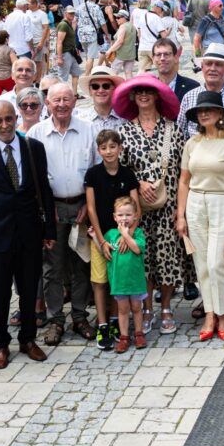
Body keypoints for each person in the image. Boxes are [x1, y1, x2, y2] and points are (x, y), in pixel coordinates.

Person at [0, 100, 55, 369]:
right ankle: (2, 343)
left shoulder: (33, 148)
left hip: (29, 231)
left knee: (29, 289)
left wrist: (48, 231)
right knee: (0, 293)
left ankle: (28, 338)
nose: (5, 125)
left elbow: (44, 189)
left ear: (16, 118)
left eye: (9, 119)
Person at [113, 74, 189, 332]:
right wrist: (138, 182)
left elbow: (183, 173)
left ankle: (166, 307)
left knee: (167, 257)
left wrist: (181, 211)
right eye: (139, 91)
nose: (144, 95)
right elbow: (120, 171)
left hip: (167, 205)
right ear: (132, 97)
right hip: (137, 207)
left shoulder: (173, 129)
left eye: (149, 91)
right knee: (142, 258)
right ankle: (146, 309)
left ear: (158, 95)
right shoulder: (123, 131)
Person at [28, 82, 100, 346]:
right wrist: (45, 212)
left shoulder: (89, 130)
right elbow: (33, 179)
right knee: (52, 268)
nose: (61, 105)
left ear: (74, 101)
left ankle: (80, 316)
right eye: (56, 100)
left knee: (82, 264)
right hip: (52, 209)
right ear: (47, 103)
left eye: (66, 100)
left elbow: (95, 171)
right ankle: (56, 319)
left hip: (81, 206)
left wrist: (88, 205)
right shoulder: (36, 133)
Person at [176, 91, 224, 341]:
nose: (203, 113)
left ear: (220, 114)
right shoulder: (192, 143)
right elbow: (184, 181)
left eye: (209, 109)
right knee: (202, 264)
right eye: (200, 111)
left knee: (218, 262)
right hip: (196, 202)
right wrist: (181, 215)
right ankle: (209, 313)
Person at [85, 129, 140, 350]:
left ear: (120, 148)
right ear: (98, 150)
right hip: (102, 236)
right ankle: (102, 324)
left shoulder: (127, 175)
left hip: (124, 236)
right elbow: (91, 208)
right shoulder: (93, 174)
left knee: (118, 281)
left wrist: (128, 236)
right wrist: (101, 240)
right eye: (104, 148)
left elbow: (137, 209)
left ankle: (118, 320)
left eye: (113, 147)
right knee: (99, 281)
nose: (109, 151)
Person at [176, 43, 224, 138]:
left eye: (218, 65)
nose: (213, 68)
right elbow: (181, 133)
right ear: (202, 67)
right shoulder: (189, 97)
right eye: (209, 64)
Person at [105, 197, 149, 353]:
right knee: (123, 309)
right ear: (115, 217)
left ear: (135, 216)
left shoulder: (138, 233)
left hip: (135, 280)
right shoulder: (111, 234)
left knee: (137, 307)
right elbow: (105, 249)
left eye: (128, 215)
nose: (124, 218)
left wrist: (126, 235)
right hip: (120, 281)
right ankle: (124, 337)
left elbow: (137, 249)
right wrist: (97, 238)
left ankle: (138, 333)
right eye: (121, 215)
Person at [151, 37, 200, 104]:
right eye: (158, 54)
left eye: (166, 54)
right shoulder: (149, 88)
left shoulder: (192, 87)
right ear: (153, 59)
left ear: (176, 57)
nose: (162, 58)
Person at [79, 66, 126, 132]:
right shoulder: (81, 120)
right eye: (95, 86)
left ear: (114, 89)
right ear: (90, 91)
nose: (101, 90)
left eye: (106, 86)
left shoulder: (125, 118)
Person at [55, 7, 83, 94]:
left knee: (76, 73)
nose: (72, 15)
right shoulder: (63, 25)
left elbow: (70, 37)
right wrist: (59, 57)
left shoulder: (68, 24)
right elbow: (59, 42)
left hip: (71, 52)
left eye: (73, 13)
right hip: (65, 53)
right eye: (70, 13)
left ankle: (74, 94)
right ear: (65, 13)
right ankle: (60, 94)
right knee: (63, 76)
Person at [79, 0, 106, 78]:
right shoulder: (96, 7)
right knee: (91, 57)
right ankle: (87, 76)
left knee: (87, 55)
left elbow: (75, 20)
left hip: (81, 34)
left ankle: (88, 72)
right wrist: (106, 33)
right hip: (92, 34)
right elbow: (102, 23)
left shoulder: (80, 7)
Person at [134, 0, 167, 72]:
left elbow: (139, 34)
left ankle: (139, 83)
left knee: (142, 70)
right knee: (161, 69)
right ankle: (160, 83)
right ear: (158, 8)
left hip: (142, 47)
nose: (162, 12)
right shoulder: (156, 18)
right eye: (162, 9)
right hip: (154, 48)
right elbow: (164, 36)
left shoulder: (143, 16)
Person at [105, 9, 137, 78]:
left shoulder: (123, 27)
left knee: (112, 73)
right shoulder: (133, 27)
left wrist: (109, 50)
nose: (116, 19)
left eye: (118, 18)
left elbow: (120, 41)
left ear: (125, 18)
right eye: (116, 17)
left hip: (121, 54)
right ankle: (131, 88)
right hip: (131, 54)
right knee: (128, 73)